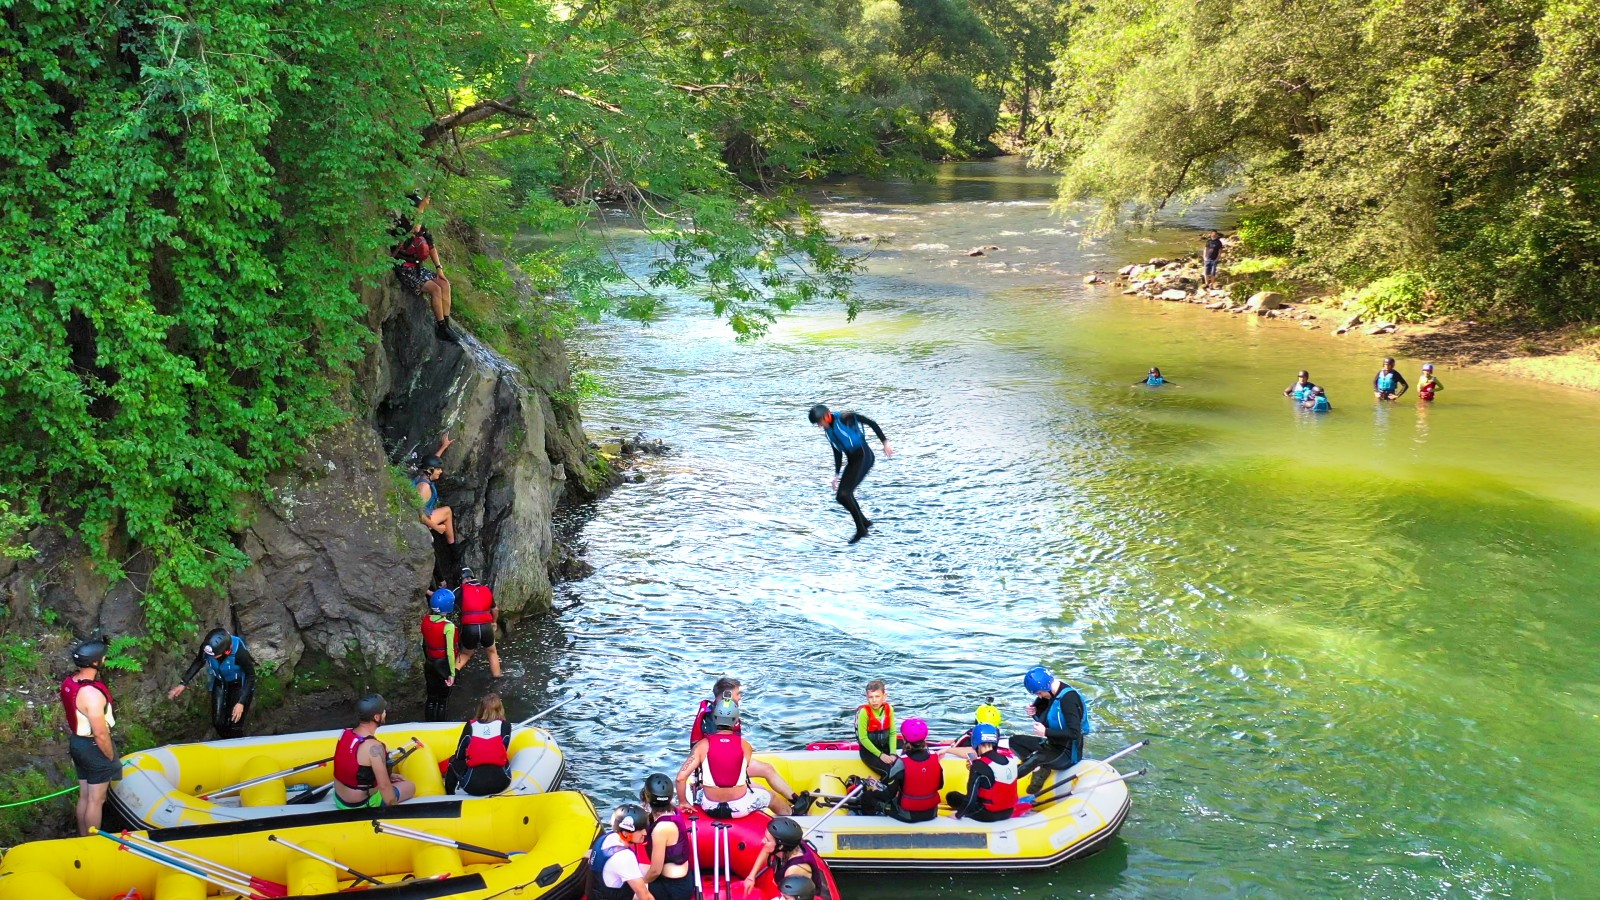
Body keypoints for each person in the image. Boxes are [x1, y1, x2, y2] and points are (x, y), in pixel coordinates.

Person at [676, 695, 797, 817]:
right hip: (739, 808)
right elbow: (738, 773)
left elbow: (680, 778)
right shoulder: (745, 746)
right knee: (770, 796)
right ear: (736, 720)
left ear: (715, 719)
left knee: (701, 790)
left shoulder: (702, 746)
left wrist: (683, 802)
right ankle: (793, 814)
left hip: (710, 807)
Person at [808, 404, 893, 544]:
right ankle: (864, 523)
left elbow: (871, 423)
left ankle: (862, 529)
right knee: (841, 497)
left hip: (864, 457)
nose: (819, 426)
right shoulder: (828, 431)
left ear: (826, 416)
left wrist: (885, 442)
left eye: (819, 422)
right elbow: (837, 451)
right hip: (853, 461)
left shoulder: (844, 417)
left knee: (844, 494)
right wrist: (836, 475)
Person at [60, 639, 119, 835]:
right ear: (95, 663)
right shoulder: (92, 695)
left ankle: (82, 836)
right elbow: (100, 733)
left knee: (84, 796)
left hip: (77, 744)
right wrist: (110, 756)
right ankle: (92, 841)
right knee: (96, 800)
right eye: (102, 657)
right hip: (93, 747)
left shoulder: (70, 682)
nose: (104, 659)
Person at [1010, 667, 1091, 792]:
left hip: (1067, 753)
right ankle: (1040, 769)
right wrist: (1034, 712)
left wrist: (1045, 732)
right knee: (1014, 741)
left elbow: (1075, 733)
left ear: (1045, 686)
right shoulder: (1048, 695)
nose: (1039, 696)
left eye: (1039, 693)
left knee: (1036, 758)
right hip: (1051, 743)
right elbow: (1046, 718)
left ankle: (1002, 782)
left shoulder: (1069, 699)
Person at [167, 627, 257, 738]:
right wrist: (183, 683)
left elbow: (251, 676)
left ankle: (239, 745)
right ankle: (227, 742)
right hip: (220, 682)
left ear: (226, 651)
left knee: (235, 724)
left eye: (214, 655)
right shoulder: (207, 648)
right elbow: (199, 661)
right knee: (218, 722)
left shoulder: (239, 653)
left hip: (239, 685)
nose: (211, 657)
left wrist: (241, 702)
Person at [391, 193, 457, 343]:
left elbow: (431, 246)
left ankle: (446, 325)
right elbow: (414, 230)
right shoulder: (402, 225)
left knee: (444, 284)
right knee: (435, 289)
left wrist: (439, 268)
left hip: (416, 267)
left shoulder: (421, 226)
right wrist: (421, 208)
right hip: (403, 268)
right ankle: (440, 327)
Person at [332, 694, 415, 809]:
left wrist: (389, 776)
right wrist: (395, 811)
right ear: (376, 717)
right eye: (383, 711)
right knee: (410, 786)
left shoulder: (346, 733)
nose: (385, 713)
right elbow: (384, 787)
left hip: (338, 798)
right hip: (357, 805)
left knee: (391, 780)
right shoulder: (374, 747)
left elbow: (356, 768)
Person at [856, 718, 942, 823]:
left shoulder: (900, 763)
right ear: (925, 737)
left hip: (908, 815)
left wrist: (875, 789)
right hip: (932, 812)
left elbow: (888, 795)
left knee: (867, 796)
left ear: (904, 739)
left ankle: (869, 823)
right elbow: (940, 785)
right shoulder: (935, 758)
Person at [944, 723, 1017, 822]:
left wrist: (958, 815)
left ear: (975, 741)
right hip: (1009, 812)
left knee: (952, 796)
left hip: (988, 814)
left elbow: (971, 799)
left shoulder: (978, 766)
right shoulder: (1010, 760)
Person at [445, 693, 511, 796]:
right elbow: (503, 749)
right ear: (500, 709)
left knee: (454, 761)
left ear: (480, 708)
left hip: (474, 787)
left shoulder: (470, 725)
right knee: (504, 758)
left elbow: (460, 755)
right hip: (501, 784)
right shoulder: (506, 725)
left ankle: (449, 795)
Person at [639, 773, 693, 900]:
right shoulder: (674, 811)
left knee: (630, 889)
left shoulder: (661, 829)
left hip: (673, 889)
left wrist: (641, 885)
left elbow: (655, 871)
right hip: (678, 879)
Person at [585, 804, 654, 900]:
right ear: (625, 833)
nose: (645, 833)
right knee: (649, 887)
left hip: (596, 893)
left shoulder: (605, 839)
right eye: (640, 830)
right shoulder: (624, 857)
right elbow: (645, 896)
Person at [743, 817, 820, 897]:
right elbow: (766, 849)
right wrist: (751, 877)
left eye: (768, 840)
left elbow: (789, 896)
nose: (763, 840)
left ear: (780, 847)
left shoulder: (795, 869)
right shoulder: (786, 846)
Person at [454, 567, 501, 678]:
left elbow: (444, 599)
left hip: (470, 628)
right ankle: (497, 678)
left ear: (460, 579)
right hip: (486, 627)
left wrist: (427, 591)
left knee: (465, 653)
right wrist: (494, 622)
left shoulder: (460, 590)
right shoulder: (486, 589)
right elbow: (495, 609)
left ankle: (452, 677)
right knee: (492, 651)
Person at [421, 587, 459, 721]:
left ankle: (428, 724)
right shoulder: (448, 626)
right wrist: (452, 673)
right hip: (442, 664)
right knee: (442, 699)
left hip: (430, 662)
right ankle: (441, 724)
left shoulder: (425, 620)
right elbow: (450, 651)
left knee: (431, 697)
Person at [413, 433, 456, 547]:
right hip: (420, 522)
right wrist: (437, 527)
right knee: (447, 511)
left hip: (424, 513)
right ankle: (453, 548)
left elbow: (431, 461)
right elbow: (420, 515)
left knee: (446, 510)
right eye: (438, 469)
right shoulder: (424, 488)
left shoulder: (422, 475)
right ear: (430, 471)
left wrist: (443, 446)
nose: (440, 472)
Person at [856, 678, 898, 777]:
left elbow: (892, 733)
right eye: (871, 697)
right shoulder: (864, 713)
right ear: (867, 697)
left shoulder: (889, 709)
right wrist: (881, 755)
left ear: (884, 696)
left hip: (885, 748)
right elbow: (863, 738)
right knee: (890, 772)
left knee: (900, 768)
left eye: (877, 696)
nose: (874, 701)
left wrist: (893, 753)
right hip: (869, 752)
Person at [689, 676, 743, 747]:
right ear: (727, 695)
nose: (740, 697)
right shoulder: (710, 715)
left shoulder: (724, 711)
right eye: (737, 694)